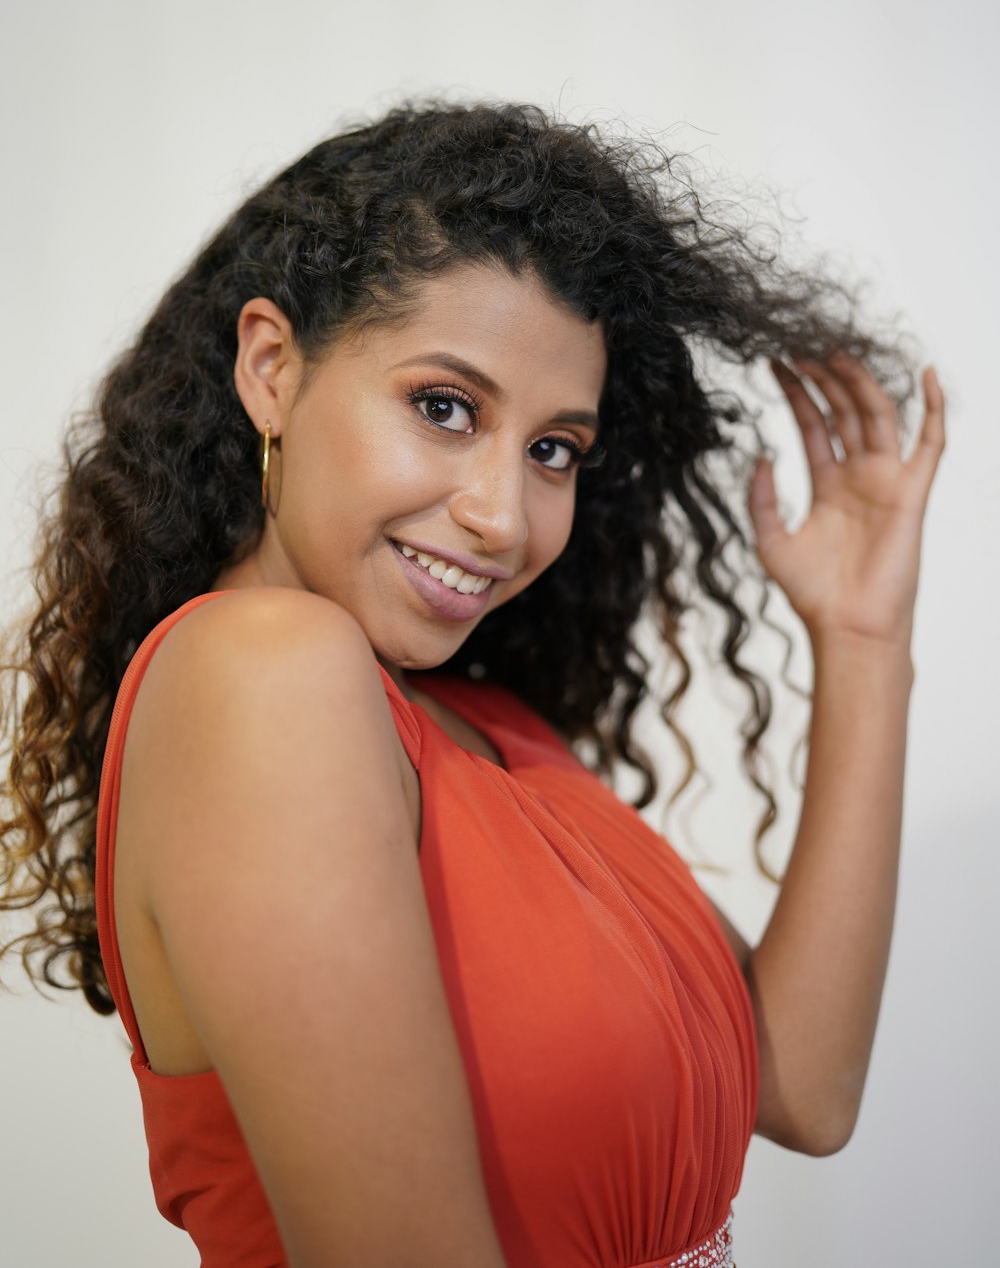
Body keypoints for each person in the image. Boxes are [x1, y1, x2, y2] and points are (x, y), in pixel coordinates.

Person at [1, 100, 944, 1268]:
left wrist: (860, 637)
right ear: (270, 368)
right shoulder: (260, 675)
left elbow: (802, 1086)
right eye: (443, 407)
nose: (503, 515)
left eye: (554, 447)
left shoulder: (484, 725)